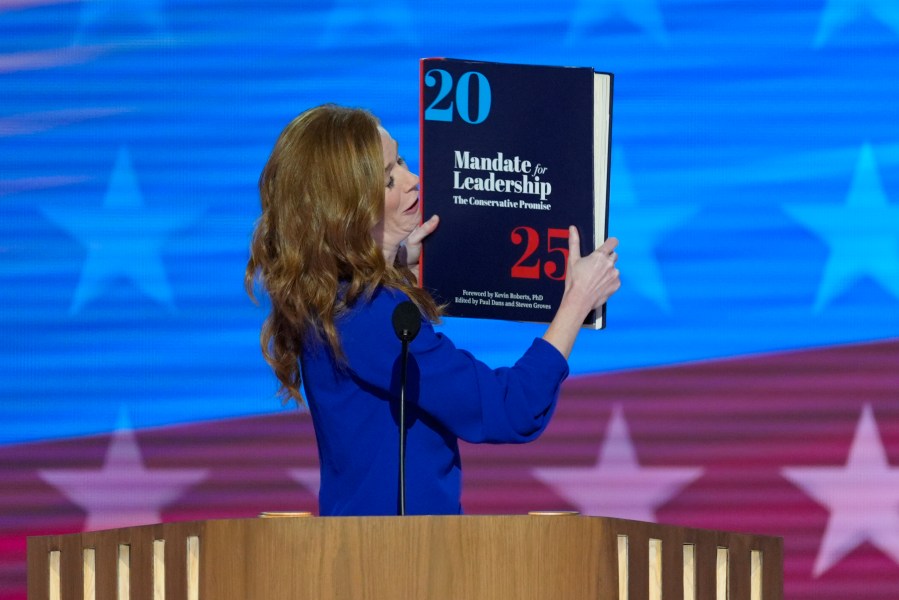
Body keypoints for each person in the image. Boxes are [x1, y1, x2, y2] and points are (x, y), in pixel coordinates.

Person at [246, 104, 620, 516]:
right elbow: (510, 410)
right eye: (389, 180)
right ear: (345, 210)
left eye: (402, 160)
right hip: (403, 564)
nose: (413, 181)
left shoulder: (329, 301)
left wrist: (393, 261)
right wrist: (577, 300)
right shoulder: (372, 316)